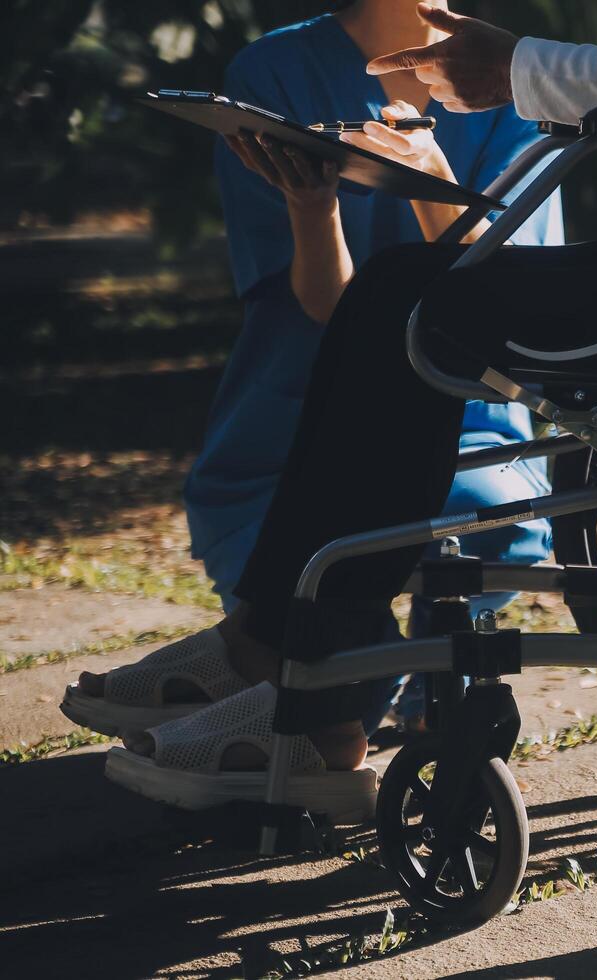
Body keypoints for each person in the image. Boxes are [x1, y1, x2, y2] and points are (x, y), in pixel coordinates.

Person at [70, 0, 597, 818]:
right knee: (405, 293)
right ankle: (280, 649)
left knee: (424, 301)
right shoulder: (283, 62)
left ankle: (293, 672)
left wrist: (514, 68)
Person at [60, 0, 560, 747]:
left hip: (466, 415)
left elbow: (510, 302)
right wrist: (311, 203)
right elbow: (333, 312)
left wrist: (435, 184)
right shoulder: (274, 74)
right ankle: (330, 695)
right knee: (326, 679)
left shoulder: (517, 77)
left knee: (334, 660)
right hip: (294, 419)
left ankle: (346, 677)